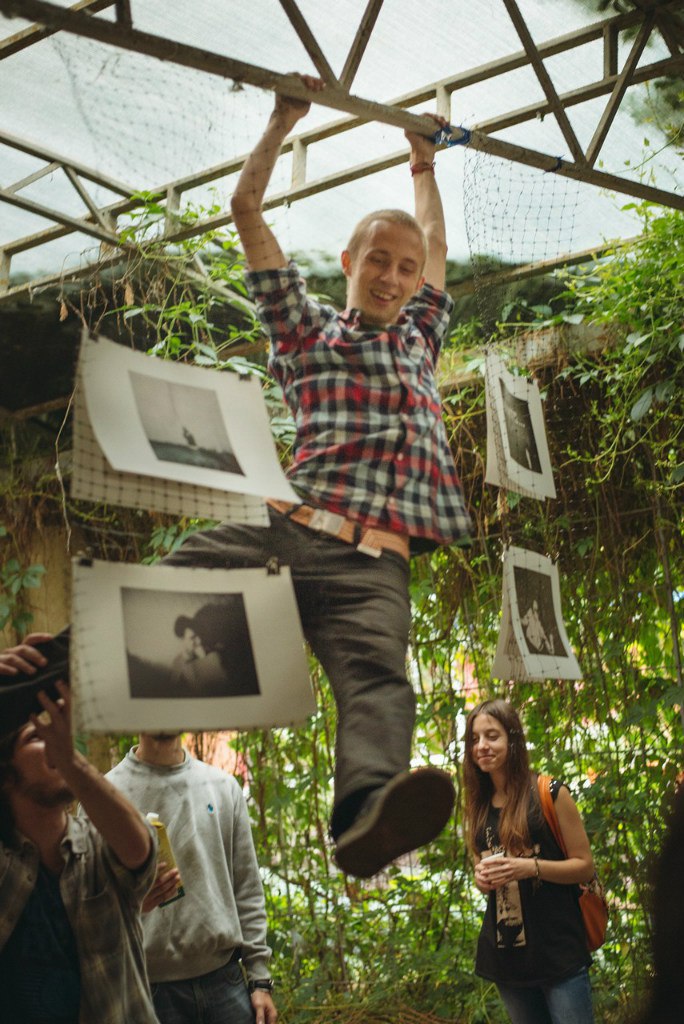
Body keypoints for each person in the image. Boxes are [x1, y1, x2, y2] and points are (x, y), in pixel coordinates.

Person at [162, 73, 471, 878]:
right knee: (186, 562)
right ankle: (46, 672)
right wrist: (282, 120)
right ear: (349, 261)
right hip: (293, 536)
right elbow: (245, 212)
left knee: (381, 688)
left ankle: (364, 817)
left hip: (378, 570)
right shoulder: (305, 331)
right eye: (380, 260)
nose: (396, 277)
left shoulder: (421, 336)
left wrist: (423, 165)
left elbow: (437, 245)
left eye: (406, 268)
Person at [0, 636, 159, 1024]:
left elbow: (140, 850)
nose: (58, 742)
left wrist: (70, 760)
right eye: (37, 737)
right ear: (5, 776)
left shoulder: (99, 843)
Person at [106, 730, 277, 1024]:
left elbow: (247, 889)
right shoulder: (106, 796)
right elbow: (88, 907)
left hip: (226, 983)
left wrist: (259, 979)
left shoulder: (223, 787)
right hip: (149, 989)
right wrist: (133, 901)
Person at [463, 699, 596, 1024]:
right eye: (474, 739)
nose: (482, 746)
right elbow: (487, 881)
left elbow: (584, 865)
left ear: (513, 739)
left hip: (557, 948)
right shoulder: (478, 806)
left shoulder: (550, 793)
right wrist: (483, 880)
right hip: (507, 954)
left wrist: (530, 867)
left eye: (492, 736)